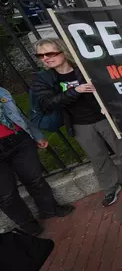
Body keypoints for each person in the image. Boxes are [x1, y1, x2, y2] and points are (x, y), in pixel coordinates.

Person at [31, 38, 122, 207]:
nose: (45, 58)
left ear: (63, 51)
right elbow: (48, 103)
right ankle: (110, 187)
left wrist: (109, 105)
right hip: (79, 123)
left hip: (103, 117)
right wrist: (75, 91)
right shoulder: (43, 79)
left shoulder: (83, 67)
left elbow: (110, 85)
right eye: (40, 55)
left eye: (50, 53)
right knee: (97, 157)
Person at [0, 87, 74, 235]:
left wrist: (36, 134)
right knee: (6, 194)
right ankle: (28, 224)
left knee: (34, 179)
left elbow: (18, 115)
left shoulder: (1, 91)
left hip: (18, 139)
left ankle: (49, 209)